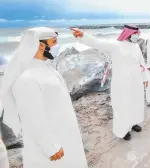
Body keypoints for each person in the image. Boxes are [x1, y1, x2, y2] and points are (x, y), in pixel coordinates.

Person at [0, 27, 87, 168]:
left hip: (64, 132)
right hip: (50, 145)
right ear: (40, 45)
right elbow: (32, 117)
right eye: (54, 42)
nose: (56, 46)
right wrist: (50, 146)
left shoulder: (45, 67)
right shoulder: (26, 78)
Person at [71, 25, 150, 141]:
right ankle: (123, 130)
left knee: (135, 102)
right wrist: (83, 35)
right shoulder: (116, 45)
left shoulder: (136, 46)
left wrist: (146, 77)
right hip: (122, 82)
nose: (136, 36)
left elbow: (141, 62)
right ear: (128, 34)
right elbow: (98, 43)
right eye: (134, 34)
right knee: (122, 105)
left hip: (136, 80)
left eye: (137, 34)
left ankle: (133, 123)